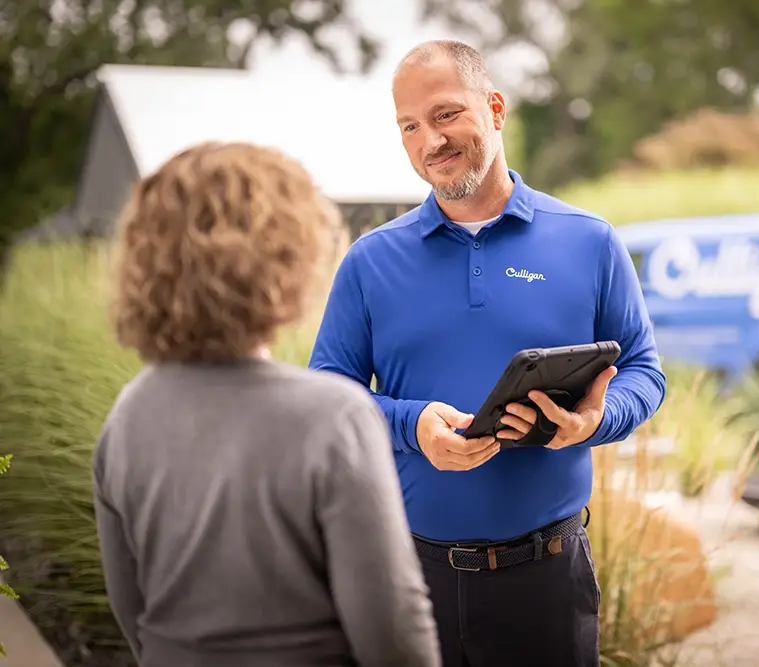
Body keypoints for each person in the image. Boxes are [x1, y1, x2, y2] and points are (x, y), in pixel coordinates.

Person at [308, 40, 667, 667]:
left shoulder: (589, 241)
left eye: (446, 115)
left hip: (547, 581)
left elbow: (644, 371)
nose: (430, 142)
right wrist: (410, 425)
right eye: (410, 127)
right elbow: (327, 396)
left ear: (495, 109)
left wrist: (592, 422)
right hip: (409, 575)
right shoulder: (370, 260)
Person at [92, 141, 441, 667]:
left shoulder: (128, 414)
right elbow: (392, 631)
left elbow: (132, 612)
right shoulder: (333, 417)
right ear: (286, 256)